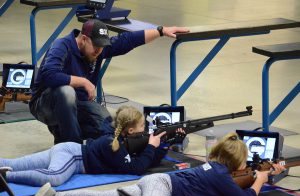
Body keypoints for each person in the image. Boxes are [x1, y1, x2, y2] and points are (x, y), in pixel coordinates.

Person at [29, 18, 189, 144]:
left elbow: (128, 40)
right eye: (96, 46)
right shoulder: (62, 46)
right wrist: (83, 82)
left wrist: (161, 31)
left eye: (103, 46)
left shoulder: (98, 49)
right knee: (66, 91)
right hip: (44, 105)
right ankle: (72, 147)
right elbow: (49, 75)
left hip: (77, 105)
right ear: (84, 39)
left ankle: (63, 135)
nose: (99, 51)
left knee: (108, 127)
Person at [33, 132, 285, 196]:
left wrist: (262, 174)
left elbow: (238, 183)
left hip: (157, 184)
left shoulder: (214, 167)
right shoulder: (220, 176)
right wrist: (261, 180)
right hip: (163, 188)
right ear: (235, 161)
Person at [0, 106, 180, 187]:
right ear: (131, 130)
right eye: (142, 126)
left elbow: (145, 159)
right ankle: (6, 178)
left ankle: (6, 172)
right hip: (74, 158)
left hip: (69, 150)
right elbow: (137, 168)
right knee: (54, 178)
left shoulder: (117, 137)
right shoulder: (112, 144)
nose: (145, 129)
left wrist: (164, 144)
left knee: (14, 161)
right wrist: (151, 146)